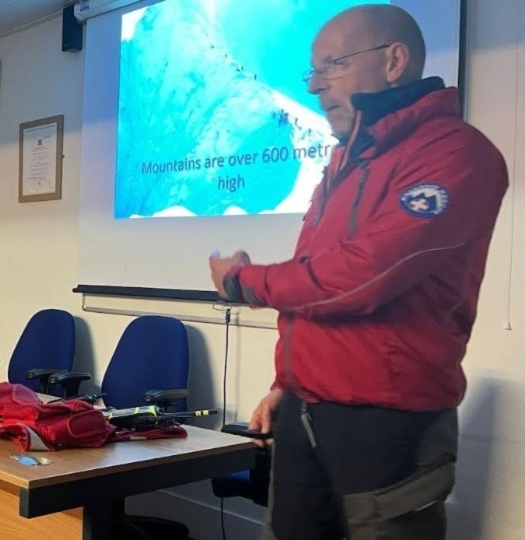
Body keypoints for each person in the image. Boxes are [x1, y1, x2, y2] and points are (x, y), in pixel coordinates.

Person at [208, 5, 507, 539]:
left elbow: (364, 276)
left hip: (388, 422)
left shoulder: (457, 154)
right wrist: (286, 382)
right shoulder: (345, 158)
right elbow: (313, 276)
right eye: (312, 71)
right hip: (305, 411)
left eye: (333, 65)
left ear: (394, 61)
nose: (316, 86)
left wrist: (244, 282)